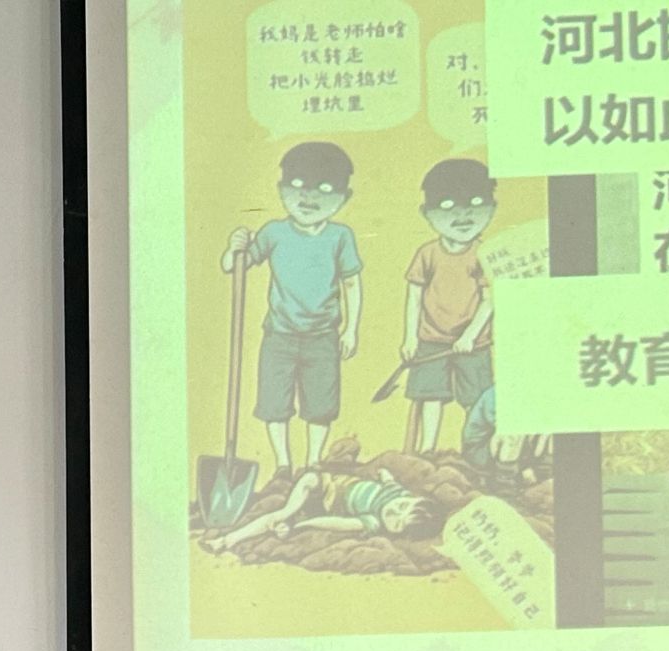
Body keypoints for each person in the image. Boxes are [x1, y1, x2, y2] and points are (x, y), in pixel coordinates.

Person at [222, 140, 363, 474]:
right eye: (298, 185)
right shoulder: (274, 233)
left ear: (344, 197)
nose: (309, 197)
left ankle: (313, 463)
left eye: (325, 189)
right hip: (280, 335)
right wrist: (233, 249)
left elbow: (352, 283)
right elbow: (235, 266)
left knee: (321, 404)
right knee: (274, 403)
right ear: (280, 189)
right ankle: (283, 465)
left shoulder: (340, 237)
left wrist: (351, 329)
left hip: (323, 336)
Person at [401, 158, 497, 454]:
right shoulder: (427, 253)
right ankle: (427, 450)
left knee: (476, 398)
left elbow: (490, 300)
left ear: (492, 208)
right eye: (447, 206)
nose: (462, 215)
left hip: (474, 343)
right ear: (426, 213)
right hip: (432, 340)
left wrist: (469, 336)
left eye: (475, 203)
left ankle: (475, 452)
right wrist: (410, 338)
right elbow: (414, 296)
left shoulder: (484, 254)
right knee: (430, 395)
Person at [201, 465, 438, 553]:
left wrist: (302, 524)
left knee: (280, 517)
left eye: (397, 522)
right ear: (410, 497)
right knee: (307, 481)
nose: (394, 512)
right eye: (402, 507)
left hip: (324, 505)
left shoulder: (373, 521)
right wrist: (385, 473)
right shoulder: (397, 493)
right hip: (324, 482)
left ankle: (226, 541)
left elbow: (336, 523)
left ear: (398, 533)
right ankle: (284, 517)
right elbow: (389, 479)